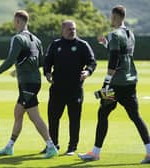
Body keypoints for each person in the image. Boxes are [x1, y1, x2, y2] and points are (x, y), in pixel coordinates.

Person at [78, 5, 150, 164]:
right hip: (130, 82)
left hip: (115, 85)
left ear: (116, 17)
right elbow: (122, 53)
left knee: (103, 113)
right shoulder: (130, 34)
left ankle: (95, 153)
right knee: (135, 116)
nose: (110, 20)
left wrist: (106, 83)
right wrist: (106, 44)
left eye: (111, 17)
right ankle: (149, 151)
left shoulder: (114, 34)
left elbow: (114, 59)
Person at [0, 10, 58, 158]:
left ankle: (51, 146)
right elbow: (38, 62)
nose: (14, 24)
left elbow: (11, 58)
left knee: (34, 116)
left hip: (27, 83)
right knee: (18, 113)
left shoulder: (18, 38)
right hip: (34, 81)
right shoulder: (36, 40)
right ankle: (9, 146)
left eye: (14, 21)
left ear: (18, 21)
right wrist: (17, 70)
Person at [42, 20, 97, 156]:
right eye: (69, 29)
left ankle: (72, 147)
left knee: (74, 119)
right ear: (62, 30)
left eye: (74, 29)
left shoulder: (82, 45)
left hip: (75, 89)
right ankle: (53, 145)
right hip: (57, 88)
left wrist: (88, 71)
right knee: (53, 118)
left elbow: (92, 61)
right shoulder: (55, 45)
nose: (72, 31)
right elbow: (47, 62)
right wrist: (47, 73)